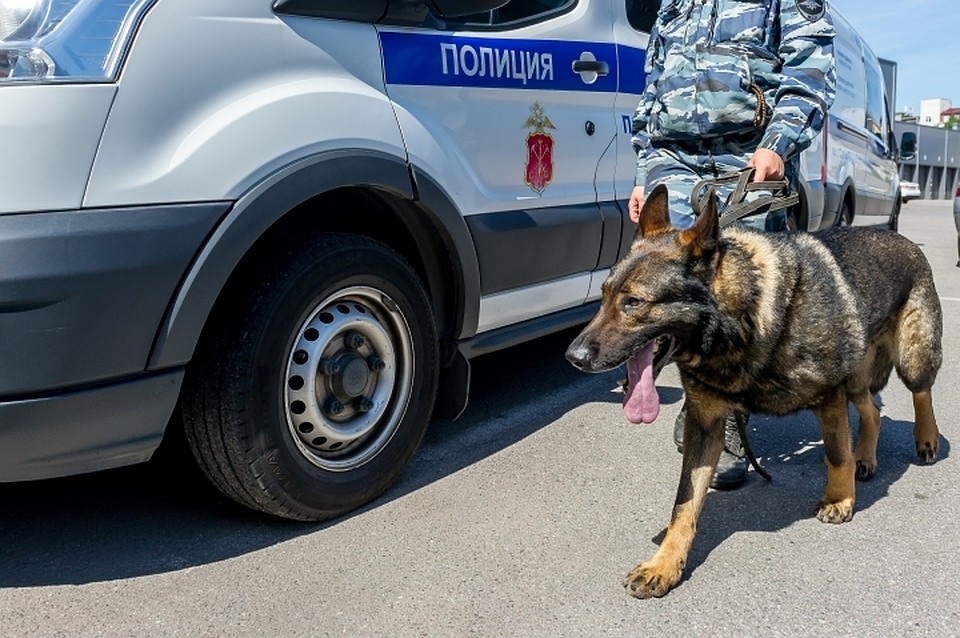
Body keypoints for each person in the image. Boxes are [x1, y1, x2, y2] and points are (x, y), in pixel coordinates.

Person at [629, 0, 837, 489]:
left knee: (736, 299)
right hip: (673, 159)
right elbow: (651, 90)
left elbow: (810, 70)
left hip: (749, 156)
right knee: (674, 296)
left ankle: (732, 423)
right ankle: (706, 405)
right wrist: (644, 174)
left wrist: (778, 144)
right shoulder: (673, 5)